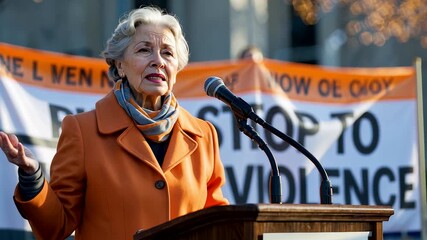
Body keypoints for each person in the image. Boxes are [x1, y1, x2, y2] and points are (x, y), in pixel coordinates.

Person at [0, 6, 229, 240]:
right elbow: (56, 227)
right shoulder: (82, 131)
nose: (158, 61)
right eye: (144, 50)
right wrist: (33, 176)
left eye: (167, 53)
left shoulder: (203, 135)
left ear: (176, 69)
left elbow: (217, 222)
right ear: (120, 65)